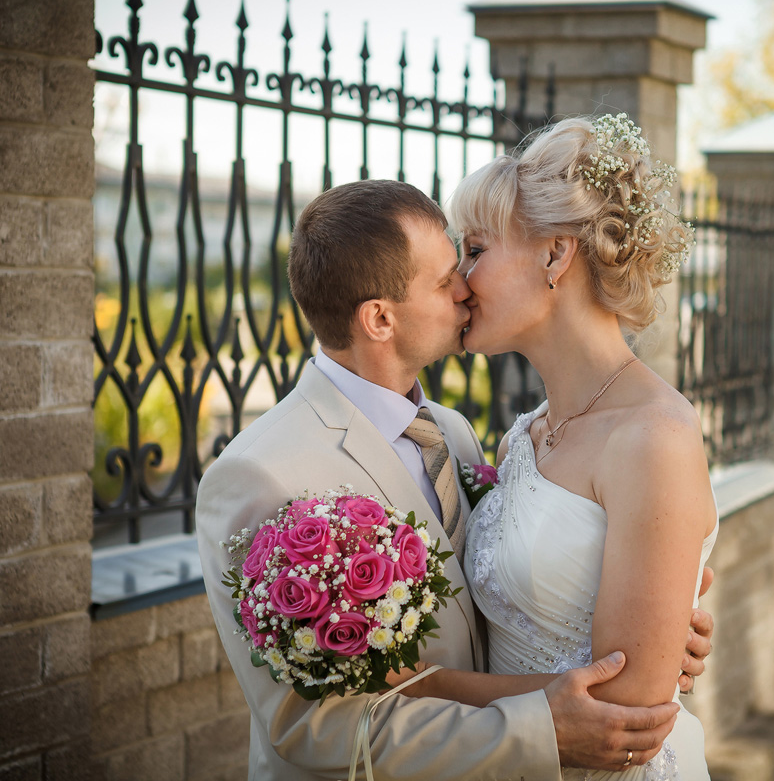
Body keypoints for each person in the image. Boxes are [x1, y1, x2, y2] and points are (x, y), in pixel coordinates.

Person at [193, 179, 714, 780]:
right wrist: (541, 721)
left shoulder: (453, 434)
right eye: (445, 280)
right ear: (380, 318)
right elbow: (307, 726)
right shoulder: (257, 473)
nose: (467, 287)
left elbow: (504, 592)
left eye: (467, 258)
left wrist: (661, 619)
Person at [394, 114, 717, 780]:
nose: (460, 282)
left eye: (476, 250)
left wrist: (423, 685)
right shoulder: (527, 435)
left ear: (554, 254)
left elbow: (623, 719)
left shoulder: (653, 435)